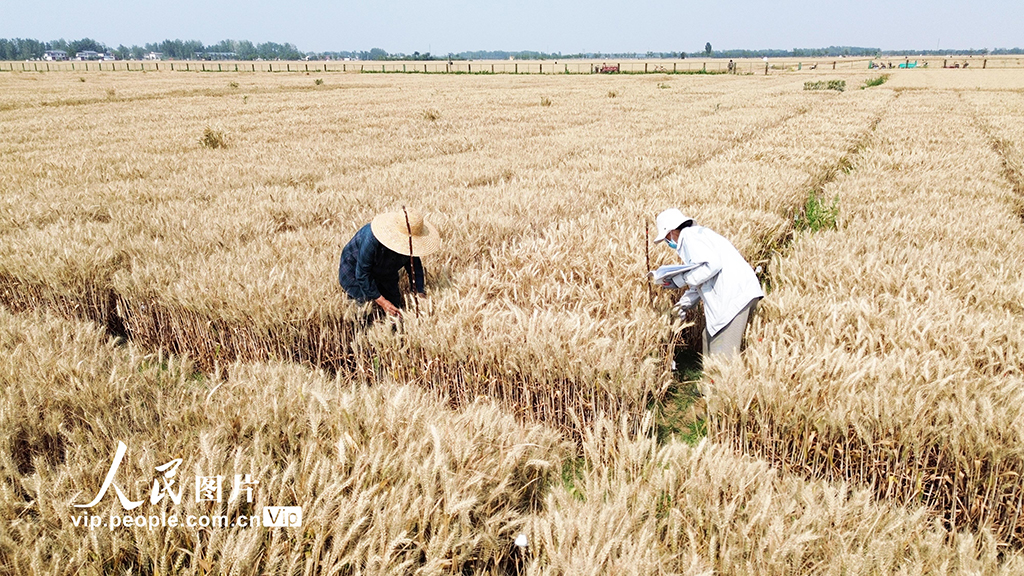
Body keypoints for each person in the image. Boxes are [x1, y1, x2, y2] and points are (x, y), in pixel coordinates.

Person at [653, 208, 764, 358]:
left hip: (733, 298)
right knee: (708, 338)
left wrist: (681, 279)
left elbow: (712, 265)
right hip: (739, 294)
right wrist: (682, 305)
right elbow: (701, 277)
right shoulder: (696, 235)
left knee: (722, 355)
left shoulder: (690, 237)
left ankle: (720, 374)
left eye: (666, 238)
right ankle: (710, 373)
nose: (667, 242)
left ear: (671, 231)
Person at [338, 208, 440, 316]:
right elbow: (362, 275)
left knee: (396, 307)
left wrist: (420, 294)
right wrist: (382, 302)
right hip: (354, 269)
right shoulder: (371, 240)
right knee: (362, 309)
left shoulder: (411, 244)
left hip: (386, 269)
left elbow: (415, 268)